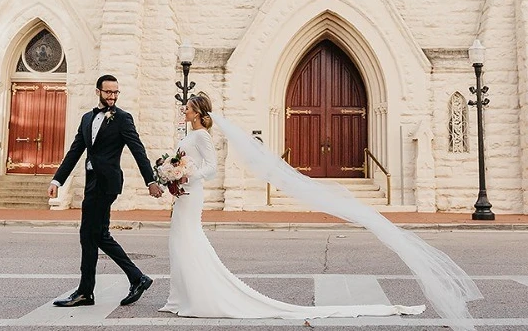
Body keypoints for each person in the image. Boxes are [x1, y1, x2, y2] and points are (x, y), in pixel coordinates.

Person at [158, 92, 426, 320]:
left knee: (188, 240)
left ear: (197, 112)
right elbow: (183, 161)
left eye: (188, 108)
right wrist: (173, 172)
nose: (185, 110)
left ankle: (195, 297)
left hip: (192, 192)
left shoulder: (202, 135)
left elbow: (211, 168)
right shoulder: (188, 134)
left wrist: (187, 174)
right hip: (183, 193)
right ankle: (179, 298)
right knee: (178, 242)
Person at [48, 74, 163, 308]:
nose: (112, 96)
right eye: (108, 92)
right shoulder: (86, 119)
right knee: (94, 235)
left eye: (116, 92)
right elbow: (74, 151)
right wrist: (57, 180)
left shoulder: (122, 118)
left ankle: (90, 290)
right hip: (92, 182)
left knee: (90, 234)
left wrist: (150, 180)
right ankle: (131, 279)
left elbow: (137, 149)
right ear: (98, 91)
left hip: (107, 184)